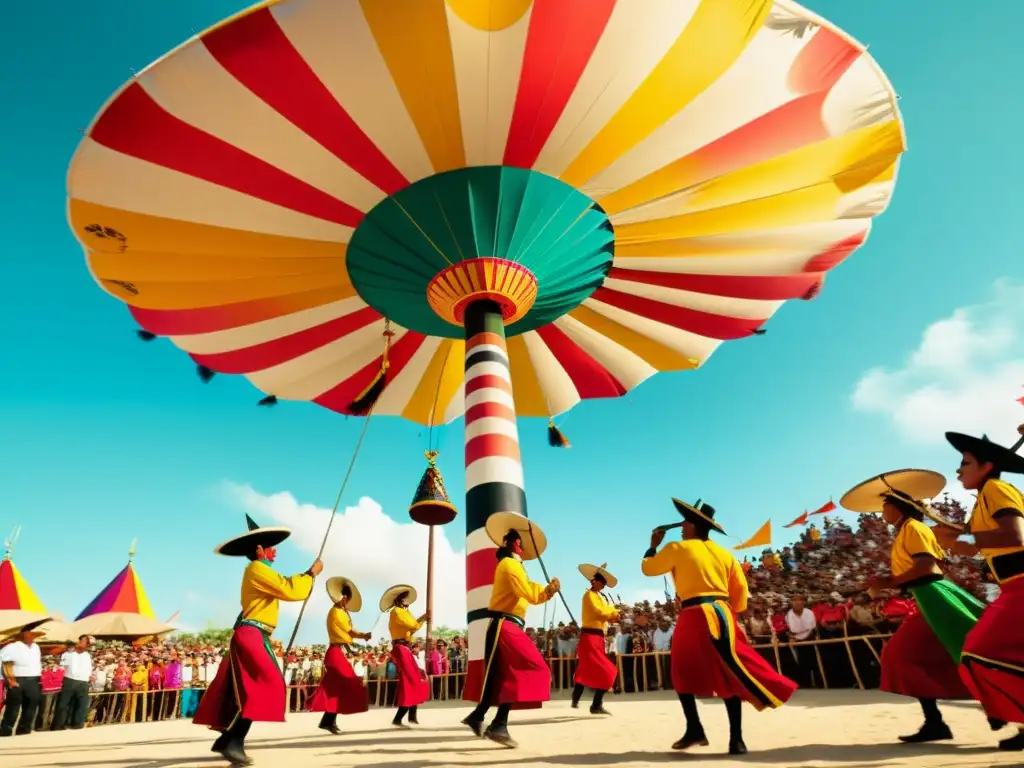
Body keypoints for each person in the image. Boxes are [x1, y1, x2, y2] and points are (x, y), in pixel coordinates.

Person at [840, 470, 986, 743]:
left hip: (933, 595)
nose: (882, 511)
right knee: (948, 654)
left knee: (904, 655)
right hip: (928, 596)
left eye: (885, 506)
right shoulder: (910, 530)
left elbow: (926, 566)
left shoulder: (914, 529)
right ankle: (940, 721)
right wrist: (886, 584)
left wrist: (887, 582)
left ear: (896, 507)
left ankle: (962, 717)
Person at [642, 498, 797, 755]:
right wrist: (724, 612)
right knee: (728, 671)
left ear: (692, 525)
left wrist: (652, 546)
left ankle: (695, 728)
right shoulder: (726, 555)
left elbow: (648, 569)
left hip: (694, 613)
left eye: (685, 523)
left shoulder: (677, 548)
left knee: (681, 670)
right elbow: (741, 597)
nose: (681, 528)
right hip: (724, 614)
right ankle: (736, 739)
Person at [192, 514, 321, 767]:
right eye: (272, 547)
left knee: (250, 688)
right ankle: (232, 740)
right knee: (268, 685)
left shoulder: (259, 571)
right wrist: (311, 574)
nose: (275, 552)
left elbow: (283, 588)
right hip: (251, 634)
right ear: (259, 549)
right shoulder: (257, 568)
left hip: (255, 633)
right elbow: (289, 589)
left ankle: (230, 739)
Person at [937, 428, 1024, 750]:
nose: (959, 469)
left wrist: (966, 541)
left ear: (986, 466)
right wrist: (959, 536)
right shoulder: (989, 494)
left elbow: (1015, 537)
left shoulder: (997, 489)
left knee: (979, 653)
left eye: (965, 462)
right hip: (1013, 587)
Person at [462, 511, 559, 747]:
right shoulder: (509, 564)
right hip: (504, 625)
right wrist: (548, 591)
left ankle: (483, 718)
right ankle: (497, 724)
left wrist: (548, 589)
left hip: (508, 625)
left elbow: (530, 588)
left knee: (502, 676)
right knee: (533, 668)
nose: (522, 548)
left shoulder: (514, 567)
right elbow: (528, 591)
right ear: (515, 544)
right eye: (520, 543)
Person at [308, 577, 370, 734]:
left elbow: (350, 631)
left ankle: (328, 721)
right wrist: (363, 635)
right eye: (345, 597)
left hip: (339, 652)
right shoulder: (336, 612)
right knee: (347, 683)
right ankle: (327, 720)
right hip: (336, 652)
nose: (346, 600)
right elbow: (349, 631)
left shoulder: (342, 612)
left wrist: (362, 635)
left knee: (337, 689)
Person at [571, 562, 619, 715]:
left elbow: (607, 612)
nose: (603, 586)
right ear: (595, 581)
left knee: (586, 669)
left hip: (598, 637)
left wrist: (613, 613)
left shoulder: (601, 597)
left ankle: (580, 700)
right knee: (607, 670)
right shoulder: (589, 595)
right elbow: (601, 612)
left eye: (604, 583)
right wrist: (615, 613)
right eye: (602, 582)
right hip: (590, 636)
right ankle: (595, 704)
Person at [382, 584, 430, 728]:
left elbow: (413, 628)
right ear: (399, 600)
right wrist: (423, 618)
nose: (407, 602)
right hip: (401, 649)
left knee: (414, 679)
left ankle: (411, 716)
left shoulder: (403, 612)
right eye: (405, 599)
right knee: (411, 681)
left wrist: (423, 618)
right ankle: (401, 717)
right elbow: (413, 626)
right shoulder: (397, 611)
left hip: (406, 648)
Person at [0, 620, 46, 737]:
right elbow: (5, 663)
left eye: (34, 634)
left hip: (33, 680)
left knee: (30, 709)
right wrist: (11, 680)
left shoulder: (36, 647)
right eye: (30, 633)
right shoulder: (13, 646)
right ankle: (5, 733)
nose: (32, 636)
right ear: (24, 634)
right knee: (13, 709)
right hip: (18, 679)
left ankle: (23, 733)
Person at [52, 634, 95, 730]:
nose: (87, 644)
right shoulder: (68, 654)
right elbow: (61, 666)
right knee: (63, 704)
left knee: (81, 704)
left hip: (83, 682)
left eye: (88, 643)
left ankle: (77, 725)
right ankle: (58, 726)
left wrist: (90, 676)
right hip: (69, 680)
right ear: (79, 641)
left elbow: (88, 669)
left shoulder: (88, 656)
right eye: (85, 641)